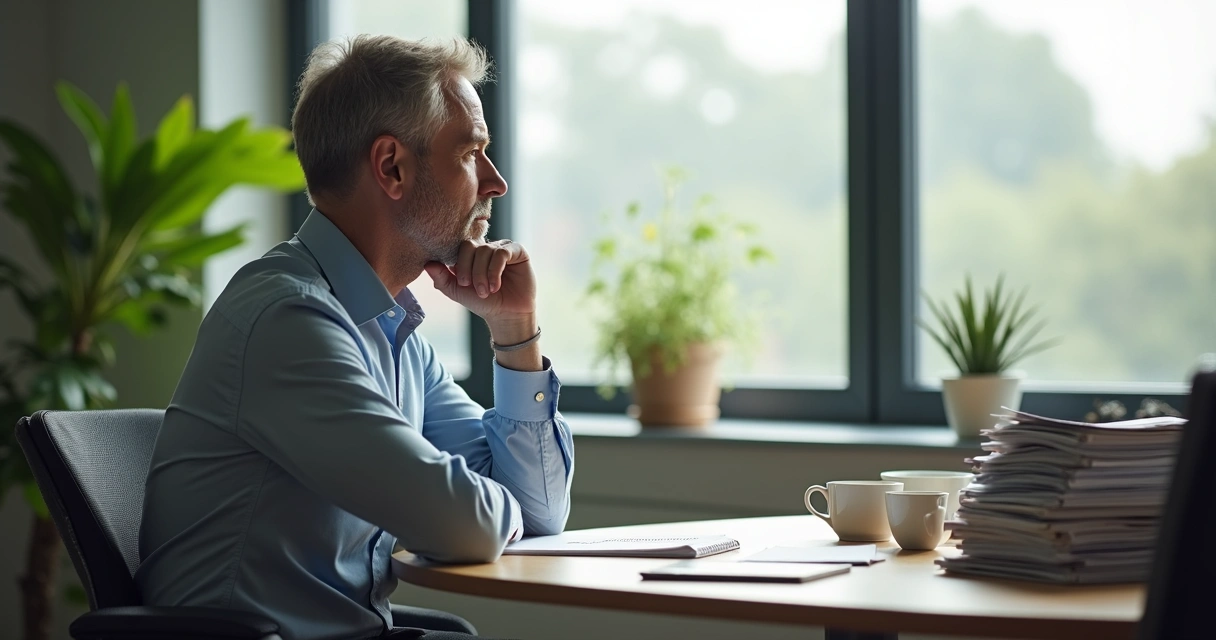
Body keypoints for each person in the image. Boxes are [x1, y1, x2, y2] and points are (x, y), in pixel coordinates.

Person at [135, 35, 574, 640]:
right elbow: (463, 525)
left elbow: (542, 511)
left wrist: (513, 331)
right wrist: (489, 507)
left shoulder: (391, 329)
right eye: (472, 153)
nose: (495, 183)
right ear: (392, 166)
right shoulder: (289, 320)